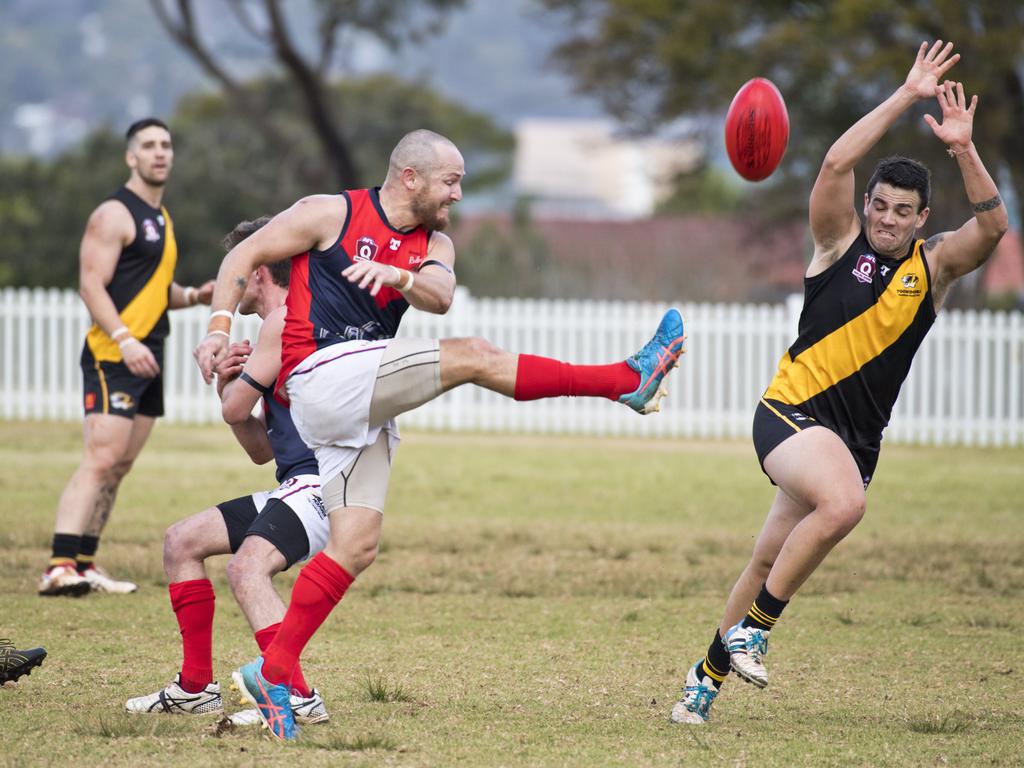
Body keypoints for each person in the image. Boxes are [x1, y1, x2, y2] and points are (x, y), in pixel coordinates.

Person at [193, 128, 687, 739]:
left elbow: (441, 294)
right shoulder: (329, 213)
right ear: (410, 177)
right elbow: (240, 259)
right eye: (450, 182)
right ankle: (625, 380)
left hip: (359, 396)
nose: (457, 195)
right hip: (321, 376)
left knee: (356, 546)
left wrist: (396, 278)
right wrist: (218, 327)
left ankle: (276, 671)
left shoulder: (436, 243)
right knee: (475, 356)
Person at [670, 41, 1008, 725]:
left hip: (853, 440)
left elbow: (995, 225)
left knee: (769, 556)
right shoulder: (836, 242)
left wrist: (964, 149)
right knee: (844, 507)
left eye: (900, 210)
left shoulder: (934, 268)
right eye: (879, 205)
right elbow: (835, 163)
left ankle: (701, 683)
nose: (884, 217)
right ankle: (755, 632)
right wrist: (909, 95)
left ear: (921, 219)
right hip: (791, 412)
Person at [124, 218, 329, 726]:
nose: (226, 287)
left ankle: (296, 694)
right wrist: (230, 387)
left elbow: (237, 410)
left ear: (257, 271)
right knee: (181, 542)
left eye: (235, 275)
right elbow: (262, 449)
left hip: (326, 487)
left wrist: (226, 379)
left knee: (246, 569)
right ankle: (195, 687)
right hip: (296, 485)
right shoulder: (276, 327)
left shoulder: (286, 321)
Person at [39, 118, 215, 597]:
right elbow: (90, 284)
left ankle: (84, 562)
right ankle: (58, 566)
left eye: (166, 145)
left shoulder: (162, 219)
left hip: (149, 354)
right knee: (101, 457)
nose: (160, 153)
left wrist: (196, 295)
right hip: (114, 354)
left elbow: (155, 292)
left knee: (121, 465)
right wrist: (124, 338)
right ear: (131, 157)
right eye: (149, 146)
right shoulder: (114, 214)